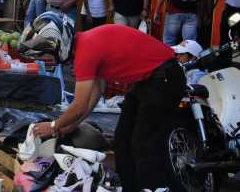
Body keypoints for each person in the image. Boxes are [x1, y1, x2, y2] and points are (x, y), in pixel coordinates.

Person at [32, 24, 186, 192]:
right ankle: (130, 188)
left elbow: (79, 105)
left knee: (143, 143)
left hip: (164, 76)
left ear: (59, 47)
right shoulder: (85, 45)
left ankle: (155, 188)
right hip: (147, 79)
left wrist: (54, 125)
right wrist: (72, 124)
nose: (49, 59)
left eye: (48, 54)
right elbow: (96, 92)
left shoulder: (85, 53)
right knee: (122, 141)